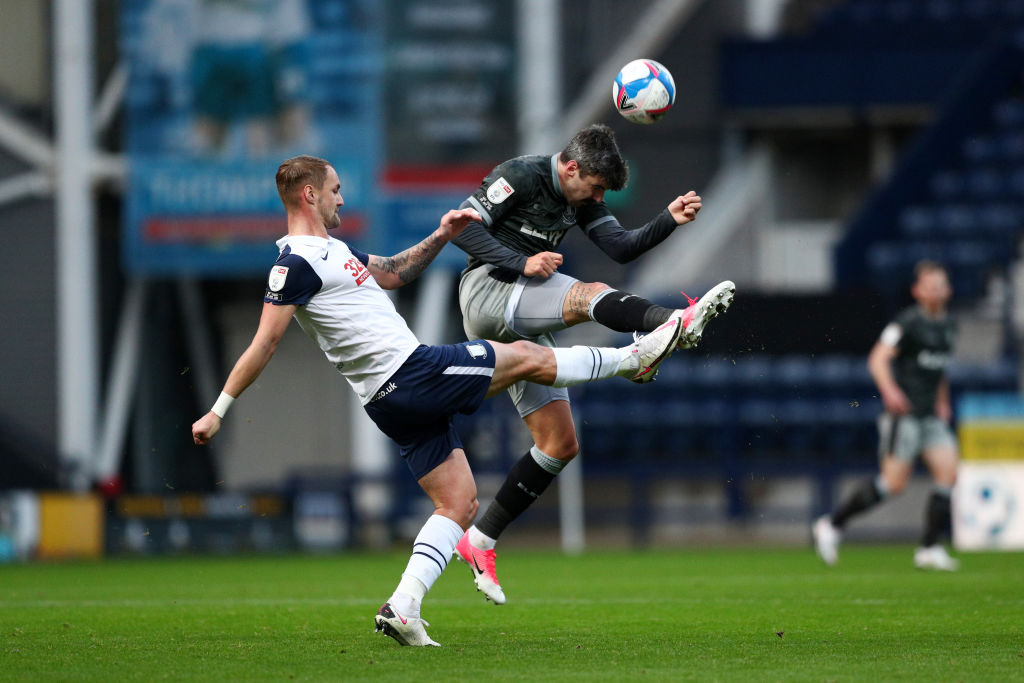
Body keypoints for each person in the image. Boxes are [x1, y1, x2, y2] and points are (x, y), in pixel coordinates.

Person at [191, 155, 690, 647]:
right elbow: (264, 343)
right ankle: (634, 358)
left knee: (459, 502)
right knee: (525, 355)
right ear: (309, 195)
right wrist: (219, 410)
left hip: (387, 399)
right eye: (335, 189)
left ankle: (403, 608)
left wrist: (444, 234)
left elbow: (393, 271)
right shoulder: (294, 263)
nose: (341, 197)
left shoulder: (334, 252)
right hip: (410, 374)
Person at [450, 123, 735, 603]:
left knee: (559, 444)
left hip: (524, 313)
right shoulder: (518, 175)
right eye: (596, 186)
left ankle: (479, 541)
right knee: (590, 296)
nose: (597, 196)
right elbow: (460, 229)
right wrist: (522, 264)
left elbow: (620, 247)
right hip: (487, 292)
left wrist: (668, 218)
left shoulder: (582, 197)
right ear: (570, 166)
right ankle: (673, 323)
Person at [813, 261, 960, 571]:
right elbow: (878, 358)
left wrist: (943, 401)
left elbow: (939, 369)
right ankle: (832, 524)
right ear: (917, 291)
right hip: (903, 416)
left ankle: (930, 548)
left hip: (929, 415)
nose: (935, 291)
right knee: (893, 484)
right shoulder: (906, 323)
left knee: (948, 474)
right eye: (930, 286)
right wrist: (890, 391)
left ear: (948, 290)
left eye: (940, 285)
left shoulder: (949, 325)